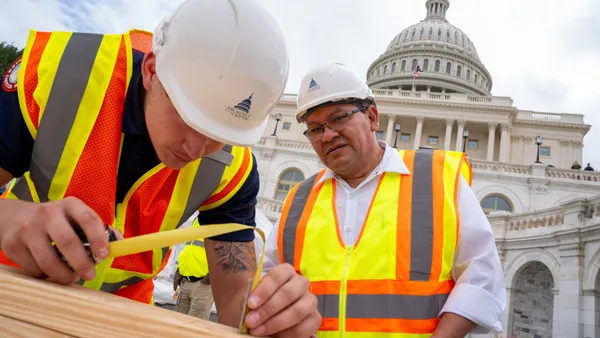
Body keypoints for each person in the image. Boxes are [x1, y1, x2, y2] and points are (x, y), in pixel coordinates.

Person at [0, 0, 321, 336]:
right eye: (187, 115)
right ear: (151, 71)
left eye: (220, 134)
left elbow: (236, 299)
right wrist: (10, 218)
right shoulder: (58, 72)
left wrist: (272, 315)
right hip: (14, 293)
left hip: (122, 321)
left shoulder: (235, 168)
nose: (196, 149)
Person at [261, 63, 507, 337]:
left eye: (339, 118)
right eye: (316, 128)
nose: (327, 135)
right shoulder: (299, 199)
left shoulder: (439, 179)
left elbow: (482, 280)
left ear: (372, 118)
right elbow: (266, 282)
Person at [173, 230, 213, 320]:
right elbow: (189, 251)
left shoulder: (222, 220)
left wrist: (210, 277)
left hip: (203, 284)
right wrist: (179, 271)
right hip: (185, 281)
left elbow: (227, 252)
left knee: (195, 325)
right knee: (179, 322)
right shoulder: (197, 221)